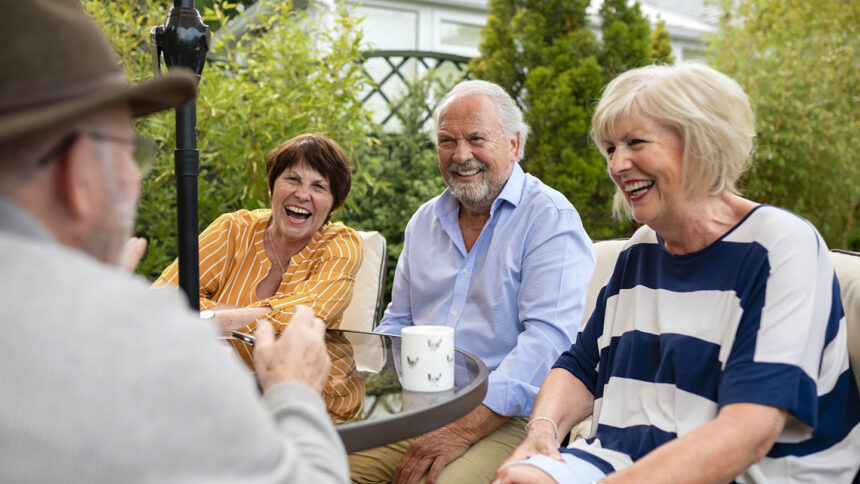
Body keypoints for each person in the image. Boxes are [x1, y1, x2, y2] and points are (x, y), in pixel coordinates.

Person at [0, 1, 349, 482]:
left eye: (319, 186)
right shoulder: (144, 342)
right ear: (77, 173)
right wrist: (293, 391)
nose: (137, 182)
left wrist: (198, 316)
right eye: (131, 151)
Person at [493, 62, 860, 484]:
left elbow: (749, 431)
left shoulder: (778, 247)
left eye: (635, 142)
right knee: (516, 478)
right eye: (610, 148)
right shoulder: (642, 249)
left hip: (755, 473)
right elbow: (581, 367)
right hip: (624, 460)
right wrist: (542, 433)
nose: (617, 165)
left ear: (701, 143)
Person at [349, 80, 596, 484]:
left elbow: (548, 343)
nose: (461, 155)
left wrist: (461, 429)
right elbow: (399, 322)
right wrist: (366, 385)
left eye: (476, 138)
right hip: (419, 408)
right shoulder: (423, 222)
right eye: (447, 141)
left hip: (510, 417)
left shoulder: (549, 218)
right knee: (317, 465)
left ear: (515, 145)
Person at [153, 133, 365, 422]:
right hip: (220, 399)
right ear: (272, 186)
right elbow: (162, 300)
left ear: (333, 204)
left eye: (319, 186)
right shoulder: (233, 229)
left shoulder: (341, 244)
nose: (303, 194)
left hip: (314, 406)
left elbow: (307, 316)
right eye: (292, 179)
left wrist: (212, 319)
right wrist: (241, 318)